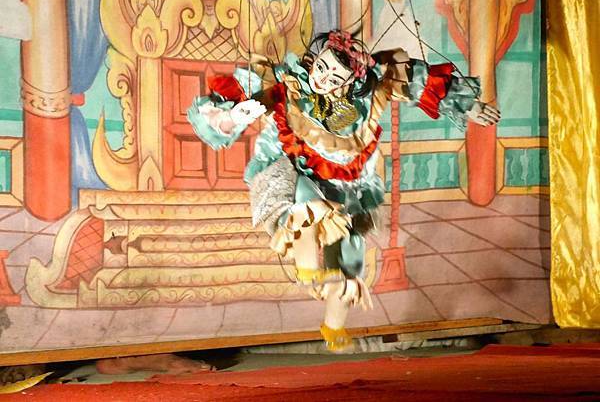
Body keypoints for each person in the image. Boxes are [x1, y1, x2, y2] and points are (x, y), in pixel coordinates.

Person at [187, 29, 500, 352]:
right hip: (292, 171)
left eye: (335, 77)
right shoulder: (287, 82)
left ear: (350, 82)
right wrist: (231, 116)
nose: (323, 79)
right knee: (305, 202)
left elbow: (416, 80)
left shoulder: (370, 91)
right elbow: (221, 108)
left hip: (346, 183)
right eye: (321, 68)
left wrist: (468, 106)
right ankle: (307, 265)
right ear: (314, 59)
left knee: (350, 263)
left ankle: (334, 326)